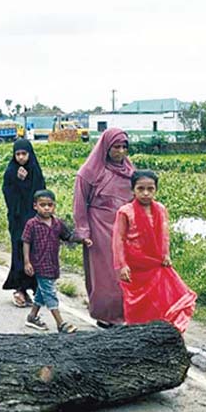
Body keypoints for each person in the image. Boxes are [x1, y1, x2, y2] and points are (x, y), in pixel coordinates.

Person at [113, 170, 197, 332]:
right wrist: (122, 265)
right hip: (135, 266)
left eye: (150, 189)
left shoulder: (160, 209)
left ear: (156, 190)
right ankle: (136, 333)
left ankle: (158, 333)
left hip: (155, 264)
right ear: (133, 190)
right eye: (140, 189)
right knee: (135, 303)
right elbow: (119, 240)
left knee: (162, 299)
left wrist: (166, 254)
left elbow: (164, 234)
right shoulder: (125, 211)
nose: (145, 193)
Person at [73, 128, 134, 327]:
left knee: (126, 271)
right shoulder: (89, 172)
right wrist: (84, 230)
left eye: (124, 147)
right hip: (99, 226)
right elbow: (80, 202)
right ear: (106, 147)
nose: (121, 152)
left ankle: (126, 313)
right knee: (105, 273)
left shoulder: (130, 171)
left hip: (124, 227)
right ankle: (105, 315)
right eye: (116, 147)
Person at [22, 190, 90, 333]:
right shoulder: (32, 224)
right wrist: (27, 262)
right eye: (42, 205)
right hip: (39, 264)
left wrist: (82, 240)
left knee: (42, 291)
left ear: (54, 206)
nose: (46, 208)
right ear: (35, 206)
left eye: (50, 205)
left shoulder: (57, 223)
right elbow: (26, 242)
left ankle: (32, 316)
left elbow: (68, 236)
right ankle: (61, 323)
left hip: (53, 264)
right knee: (50, 293)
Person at [2, 139, 47, 307]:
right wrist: (19, 181)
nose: (21, 157)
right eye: (18, 154)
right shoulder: (11, 171)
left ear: (30, 154)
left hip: (35, 218)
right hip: (18, 219)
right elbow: (8, 192)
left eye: (24, 154)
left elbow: (41, 192)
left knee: (36, 252)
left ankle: (35, 288)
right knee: (20, 251)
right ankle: (20, 289)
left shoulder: (35, 169)